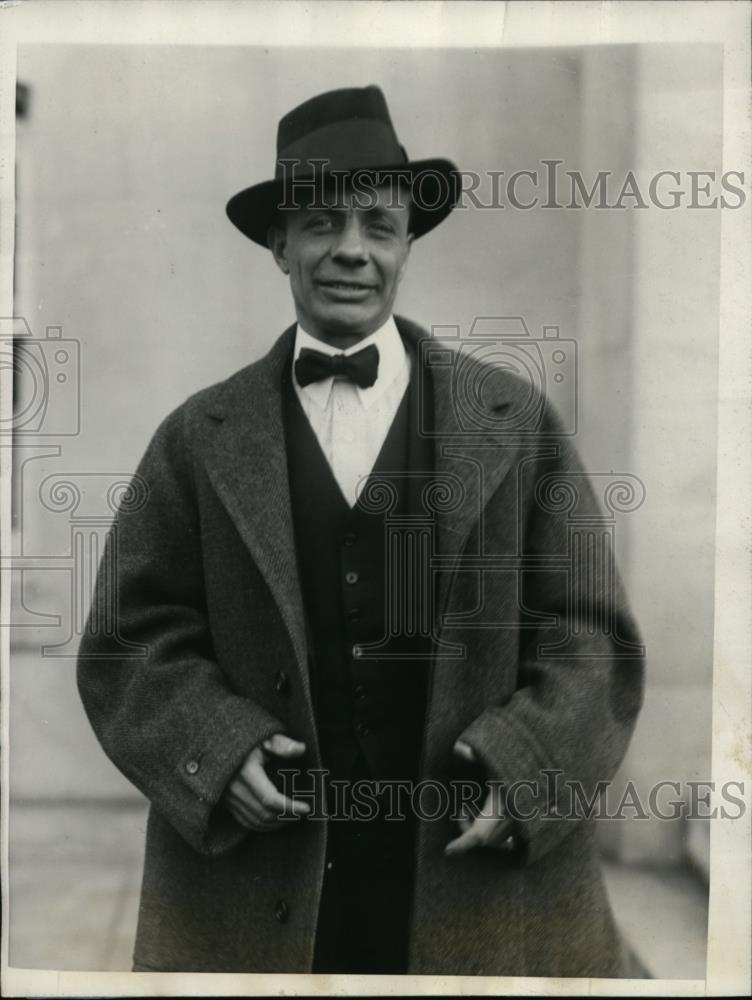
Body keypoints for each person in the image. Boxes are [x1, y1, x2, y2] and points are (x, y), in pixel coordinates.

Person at [77, 84, 645, 976]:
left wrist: (526, 766)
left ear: (407, 244)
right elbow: (126, 637)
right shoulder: (198, 437)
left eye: (378, 225)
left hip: (470, 866)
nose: (351, 250)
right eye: (322, 223)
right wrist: (214, 753)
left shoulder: (513, 420)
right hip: (259, 871)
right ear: (279, 244)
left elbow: (591, 633)